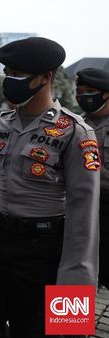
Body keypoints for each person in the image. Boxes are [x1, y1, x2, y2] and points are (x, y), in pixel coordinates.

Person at [0, 37, 100, 338]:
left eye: (19, 74)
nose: (11, 80)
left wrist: (75, 297)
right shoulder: (1, 126)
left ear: (45, 77)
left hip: (43, 248)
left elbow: (83, 219)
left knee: (34, 337)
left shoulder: (75, 132)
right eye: (8, 72)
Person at [75, 67, 109, 289]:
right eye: (79, 90)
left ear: (106, 93)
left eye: (90, 91)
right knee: (74, 273)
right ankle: (69, 324)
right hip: (78, 209)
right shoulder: (73, 125)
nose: (82, 95)